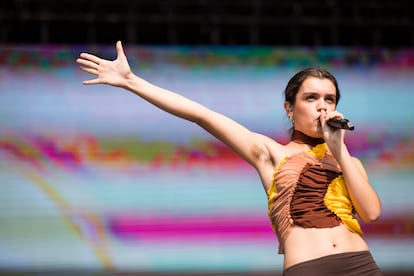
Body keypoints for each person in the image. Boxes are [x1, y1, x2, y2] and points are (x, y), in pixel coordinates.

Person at [76, 41, 382, 275]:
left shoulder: (348, 160)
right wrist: (131, 81)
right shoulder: (270, 153)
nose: (322, 107)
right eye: (311, 98)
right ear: (289, 108)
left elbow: (370, 214)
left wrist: (339, 149)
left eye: (329, 99)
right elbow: (201, 115)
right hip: (308, 268)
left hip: (360, 264)